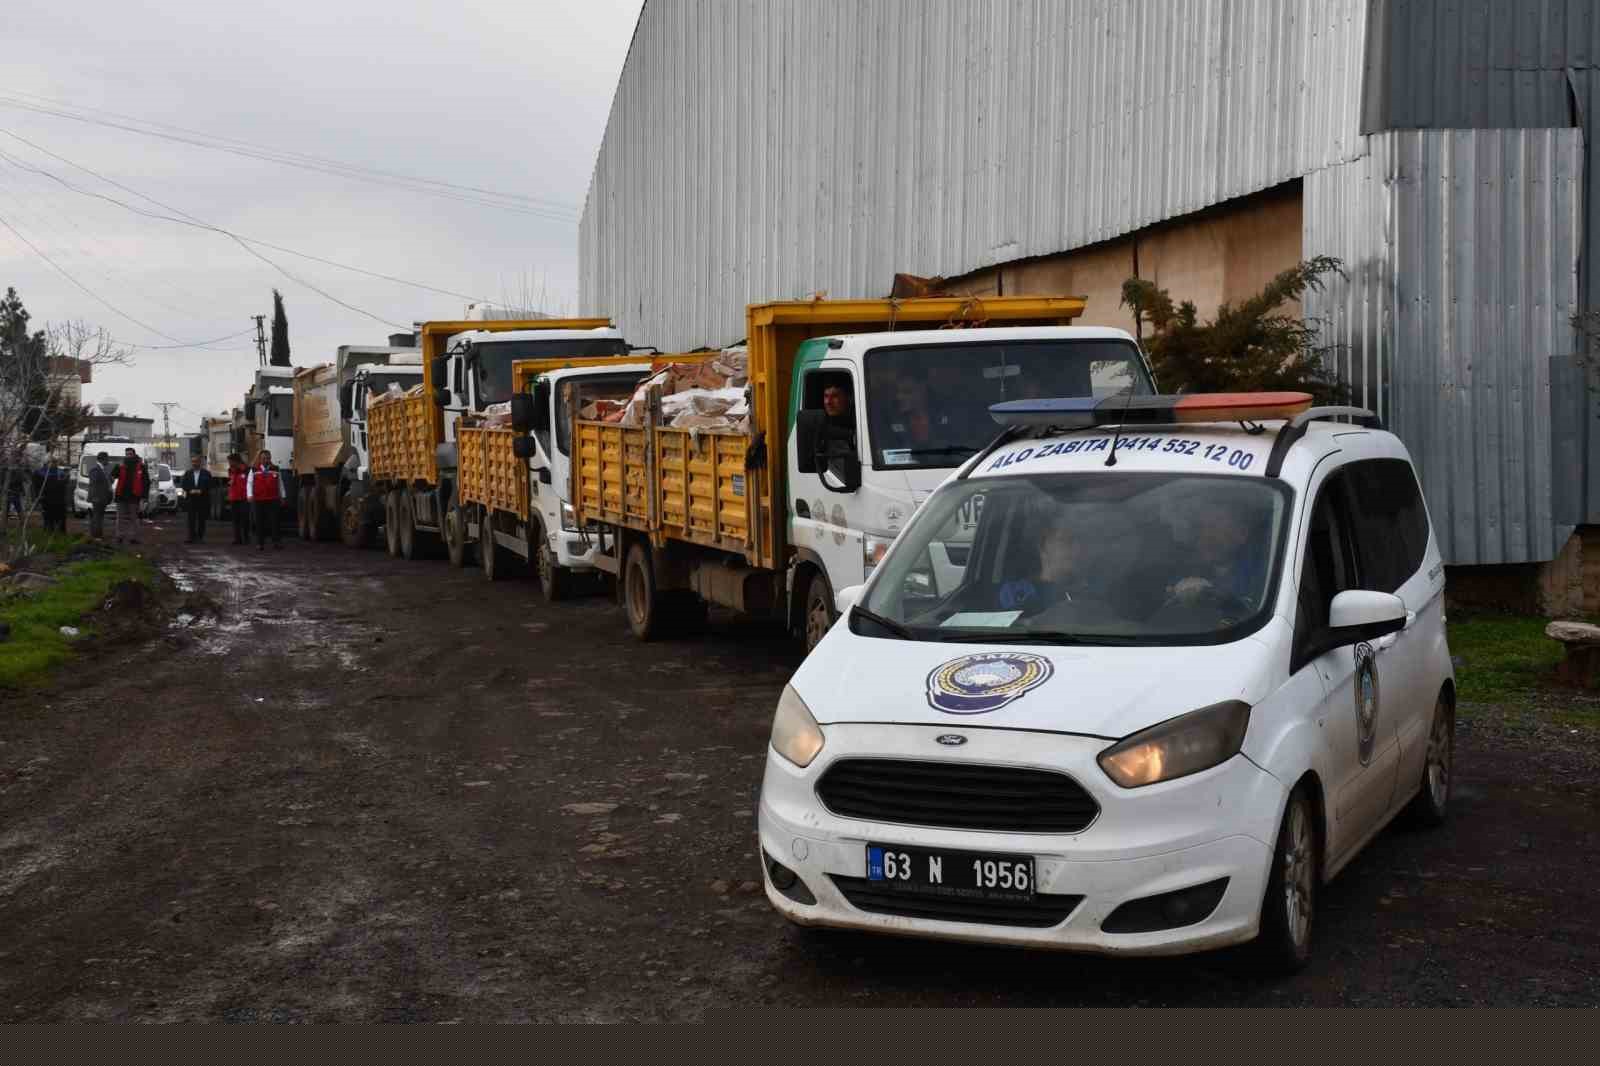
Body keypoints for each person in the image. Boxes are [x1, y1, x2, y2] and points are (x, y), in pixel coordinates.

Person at [1166, 497, 1266, 608]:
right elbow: (1170, 593)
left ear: (1241, 533)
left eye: (1214, 527)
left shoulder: (1262, 575)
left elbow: (1248, 607)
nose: (1205, 535)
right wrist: (1177, 590)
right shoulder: (1186, 565)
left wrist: (1209, 592)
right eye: (1201, 527)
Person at [246, 449, 283, 550]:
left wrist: (282, 496)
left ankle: (276, 542)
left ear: (270, 458)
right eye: (264, 458)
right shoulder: (254, 470)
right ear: (260, 459)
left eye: (268, 458)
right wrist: (249, 495)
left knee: (275, 521)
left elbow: (280, 483)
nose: (266, 460)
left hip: (273, 499)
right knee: (259, 522)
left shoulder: (275, 468)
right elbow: (249, 483)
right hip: (258, 499)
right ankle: (260, 543)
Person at [111, 447, 148, 544]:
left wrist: (144, 497)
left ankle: (133, 537)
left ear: (134, 454)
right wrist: (117, 467)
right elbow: (113, 475)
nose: (128, 456)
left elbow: (146, 482)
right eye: (127, 454)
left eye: (130, 454)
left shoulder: (141, 466)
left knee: (134, 518)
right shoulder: (121, 465)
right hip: (121, 496)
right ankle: (119, 536)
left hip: (134, 496)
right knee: (120, 517)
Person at [178, 454, 213, 544]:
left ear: (200, 462)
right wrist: (190, 490)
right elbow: (183, 485)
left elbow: (210, 485)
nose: (194, 463)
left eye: (196, 461)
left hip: (203, 499)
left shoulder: (206, 473)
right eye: (193, 461)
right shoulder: (188, 473)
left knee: (202, 519)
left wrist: (202, 491)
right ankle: (191, 537)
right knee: (191, 519)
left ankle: (200, 537)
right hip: (191, 499)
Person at [86, 451, 112, 541]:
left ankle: (98, 535)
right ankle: (96, 536)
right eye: (107, 459)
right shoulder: (95, 470)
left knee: (99, 517)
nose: (108, 461)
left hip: (102, 498)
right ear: (103, 459)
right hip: (97, 498)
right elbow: (93, 484)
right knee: (97, 517)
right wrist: (95, 497)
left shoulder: (102, 469)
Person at [226, 453, 250, 545]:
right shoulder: (230, 470)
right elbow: (231, 481)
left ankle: (246, 538)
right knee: (235, 520)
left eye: (230, 461)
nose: (229, 463)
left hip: (244, 497)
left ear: (236, 461)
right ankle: (237, 538)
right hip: (234, 497)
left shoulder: (246, 470)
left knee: (245, 519)